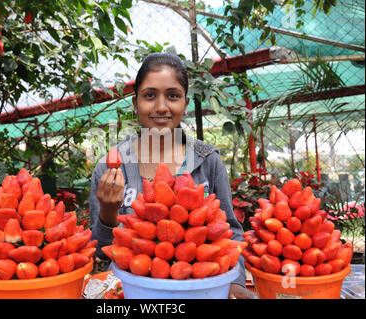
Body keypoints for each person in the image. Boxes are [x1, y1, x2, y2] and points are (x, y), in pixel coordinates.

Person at [89, 52, 256, 299]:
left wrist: (237, 282)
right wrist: (108, 213)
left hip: (200, 289)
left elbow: (230, 231)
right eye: (149, 95)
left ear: (185, 104)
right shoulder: (110, 167)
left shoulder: (207, 160)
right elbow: (103, 253)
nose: (161, 107)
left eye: (173, 96)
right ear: (135, 104)